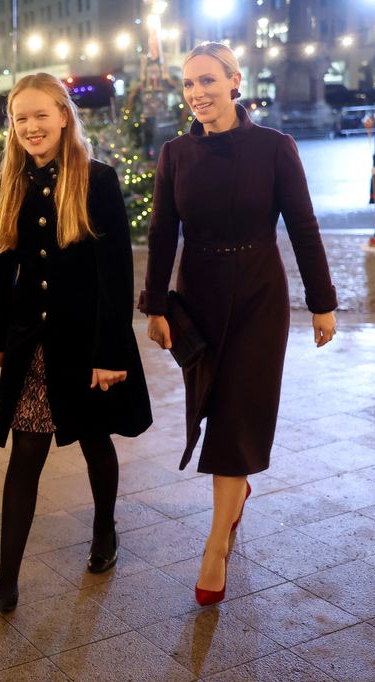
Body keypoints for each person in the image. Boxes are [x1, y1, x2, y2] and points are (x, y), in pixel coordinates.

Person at [139, 43, 338, 607]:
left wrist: (322, 302)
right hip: (197, 295)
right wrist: (155, 305)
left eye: (207, 80)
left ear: (234, 82)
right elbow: (160, 234)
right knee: (211, 405)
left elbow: (303, 225)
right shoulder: (175, 153)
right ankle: (234, 496)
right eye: (188, 84)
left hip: (258, 295)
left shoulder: (275, 148)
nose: (197, 93)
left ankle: (214, 545)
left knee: (237, 413)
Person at [0, 73, 153, 613]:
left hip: (87, 339)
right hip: (33, 341)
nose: (30, 126)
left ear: (64, 116)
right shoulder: (13, 182)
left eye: (40, 115)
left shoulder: (97, 178)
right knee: (26, 452)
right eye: (20, 118)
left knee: (96, 440)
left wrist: (111, 353)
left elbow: (117, 273)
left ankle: (104, 528)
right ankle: (6, 580)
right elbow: (2, 263)